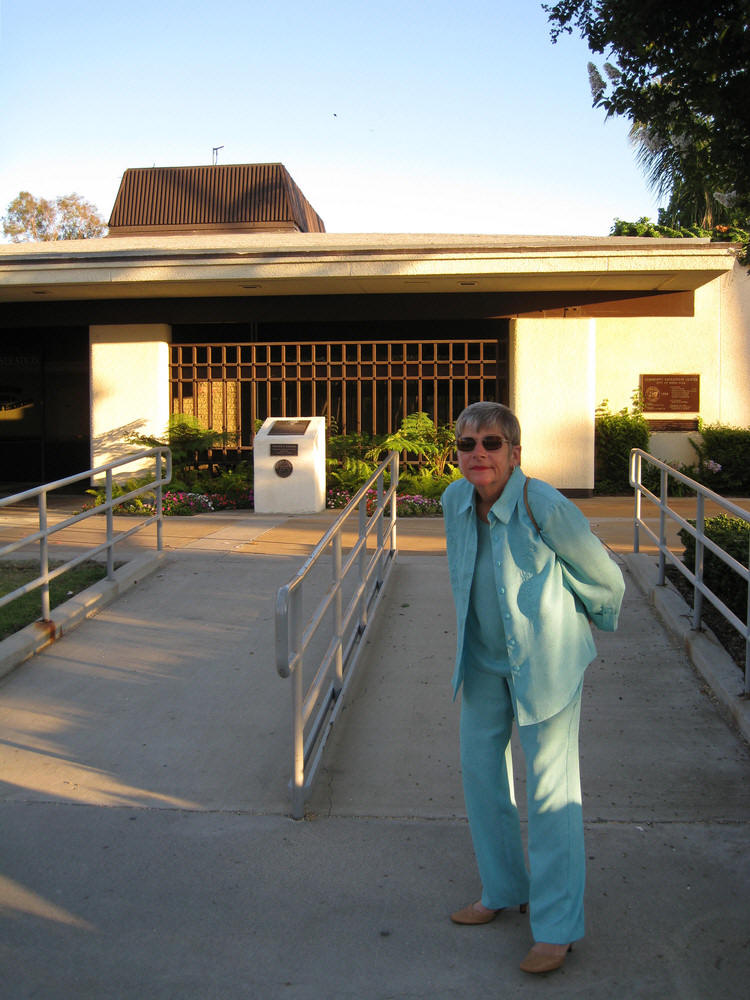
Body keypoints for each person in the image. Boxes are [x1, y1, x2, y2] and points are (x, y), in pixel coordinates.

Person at [441, 401, 625, 975]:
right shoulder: (453, 502)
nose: (479, 454)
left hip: (545, 665)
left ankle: (556, 928)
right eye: (467, 445)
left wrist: (577, 627)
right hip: (482, 665)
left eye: (491, 443)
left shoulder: (543, 504)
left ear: (515, 452)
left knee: (551, 796)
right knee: (482, 779)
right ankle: (502, 890)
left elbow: (604, 578)